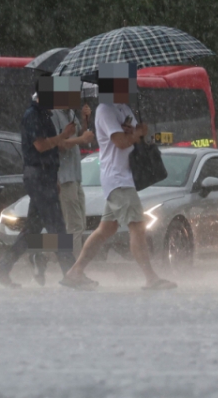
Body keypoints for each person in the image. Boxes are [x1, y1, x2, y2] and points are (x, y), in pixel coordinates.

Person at [62, 63, 176, 290]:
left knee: (106, 229)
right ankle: (151, 278)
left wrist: (142, 133)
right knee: (137, 225)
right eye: (124, 80)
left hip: (124, 177)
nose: (129, 84)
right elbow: (121, 141)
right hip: (117, 178)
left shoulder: (124, 107)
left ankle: (75, 272)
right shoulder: (105, 110)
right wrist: (137, 133)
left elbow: (135, 138)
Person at [0, 76, 80, 288]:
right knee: (58, 227)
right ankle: (72, 273)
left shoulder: (44, 115)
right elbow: (40, 146)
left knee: (32, 230)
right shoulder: (33, 115)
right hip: (38, 176)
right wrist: (63, 136)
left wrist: (54, 177)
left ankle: (2, 269)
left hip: (45, 176)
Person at [30, 102, 93, 286]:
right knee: (74, 227)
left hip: (75, 176)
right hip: (63, 177)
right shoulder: (55, 114)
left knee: (77, 226)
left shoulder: (70, 113)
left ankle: (40, 253)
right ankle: (74, 272)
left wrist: (84, 120)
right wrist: (80, 139)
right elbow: (60, 144)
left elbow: (82, 138)